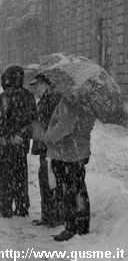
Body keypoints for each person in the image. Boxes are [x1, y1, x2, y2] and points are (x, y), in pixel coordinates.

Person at [0, 65, 37, 218]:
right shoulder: (29, 96)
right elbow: (33, 120)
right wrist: (23, 135)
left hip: (6, 143)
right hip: (21, 144)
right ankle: (22, 206)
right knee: (21, 175)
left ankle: (5, 206)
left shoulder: (4, 97)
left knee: (6, 176)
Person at [43, 98, 95, 241]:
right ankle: (82, 225)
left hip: (66, 153)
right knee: (79, 190)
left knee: (67, 192)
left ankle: (71, 227)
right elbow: (86, 126)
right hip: (80, 152)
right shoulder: (90, 102)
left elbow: (65, 126)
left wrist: (48, 138)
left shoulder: (69, 101)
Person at [29, 73, 62, 228]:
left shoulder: (53, 99)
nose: (35, 89)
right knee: (45, 181)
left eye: (37, 85)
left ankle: (53, 216)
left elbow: (54, 123)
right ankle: (47, 215)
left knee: (50, 182)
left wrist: (44, 135)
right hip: (44, 146)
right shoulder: (45, 99)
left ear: (45, 84)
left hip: (50, 148)